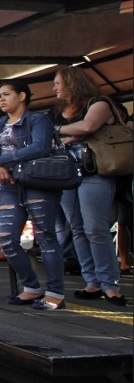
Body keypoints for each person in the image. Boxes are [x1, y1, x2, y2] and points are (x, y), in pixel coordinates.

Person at [0, 79, 66, 311]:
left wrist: (2, 160)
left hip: (38, 182)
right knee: (6, 239)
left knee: (46, 236)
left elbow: (40, 147)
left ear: (22, 96)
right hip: (9, 185)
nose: (1, 99)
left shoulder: (37, 120)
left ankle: (55, 292)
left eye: (6, 94)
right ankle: (31, 287)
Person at [53, 66, 126, 306]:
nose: (54, 88)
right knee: (77, 229)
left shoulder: (99, 103)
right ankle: (92, 282)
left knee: (96, 228)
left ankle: (110, 284)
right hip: (65, 175)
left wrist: (59, 132)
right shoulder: (56, 112)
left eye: (58, 83)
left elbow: (87, 127)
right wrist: (67, 134)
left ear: (73, 83)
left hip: (94, 173)